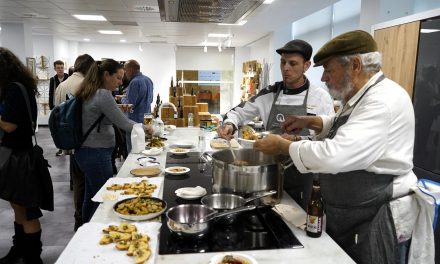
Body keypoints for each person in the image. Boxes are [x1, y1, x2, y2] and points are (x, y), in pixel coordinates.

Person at [254, 30, 419, 264]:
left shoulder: (381, 102)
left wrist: (283, 146)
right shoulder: (362, 95)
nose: (323, 78)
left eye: (328, 70)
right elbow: (346, 124)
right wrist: (313, 121)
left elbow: (334, 155)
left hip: (376, 217)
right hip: (353, 213)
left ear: (355, 65)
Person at [218, 39, 334, 208]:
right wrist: (229, 124)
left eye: (293, 63)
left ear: (306, 65)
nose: (286, 68)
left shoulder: (320, 97)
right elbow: (237, 113)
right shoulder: (269, 94)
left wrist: (294, 141)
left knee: (297, 220)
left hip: (303, 173)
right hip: (267, 172)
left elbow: (328, 139)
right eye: (283, 62)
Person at [74, 59, 153, 223]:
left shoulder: (90, 90)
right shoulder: (103, 94)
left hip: (86, 152)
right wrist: (146, 129)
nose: (120, 82)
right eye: (117, 78)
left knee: (91, 194)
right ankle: (98, 231)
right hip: (97, 153)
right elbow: (124, 123)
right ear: (106, 75)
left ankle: (83, 227)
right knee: (106, 197)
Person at [0, 47, 54, 264]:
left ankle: (32, 257)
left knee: (28, 211)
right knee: (19, 208)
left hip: (21, 160)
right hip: (20, 157)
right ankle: (20, 249)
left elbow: (10, 126)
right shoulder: (19, 87)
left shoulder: (13, 89)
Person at [54, 54, 95, 231]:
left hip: (69, 140)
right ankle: (86, 219)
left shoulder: (61, 86)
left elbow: (56, 114)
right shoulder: (87, 86)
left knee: (77, 180)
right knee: (90, 182)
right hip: (86, 141)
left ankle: (78, 217)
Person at [121, 60, 154, 152]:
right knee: (146, 149)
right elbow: (150, 100)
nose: (124, 73)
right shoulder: (148, 80)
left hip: (135, 121)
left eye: (125, 70)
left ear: (131, 70)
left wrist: (122, 98)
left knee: (134, 151)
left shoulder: (134, 82)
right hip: (148, 118)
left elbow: (130, 105)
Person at [50, 60, 69, 156]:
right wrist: (51, 107)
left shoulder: (68, 77)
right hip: (57, 107)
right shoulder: (53, 80)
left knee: (67, 127)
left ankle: (68, 147)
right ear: (55, 69)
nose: (60, 70)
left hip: (67, 106)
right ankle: (61, 148)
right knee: (58, 128)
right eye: (58, 68)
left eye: (61, 67)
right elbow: (51, 93)